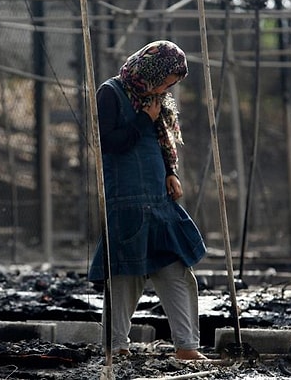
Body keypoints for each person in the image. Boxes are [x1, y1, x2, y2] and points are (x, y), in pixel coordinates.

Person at [88, 40, 208, 360]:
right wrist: (143, 120)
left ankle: (186, 346)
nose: (169, 87)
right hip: (125, 199)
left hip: (157, 197)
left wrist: (171, 171)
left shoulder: (155, 98)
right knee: (125, 275)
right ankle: (117, 346)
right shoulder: (110, 93)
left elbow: (161, 139)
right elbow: (107, 142)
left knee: (175, 269)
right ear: (152, 69)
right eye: (168, 79)